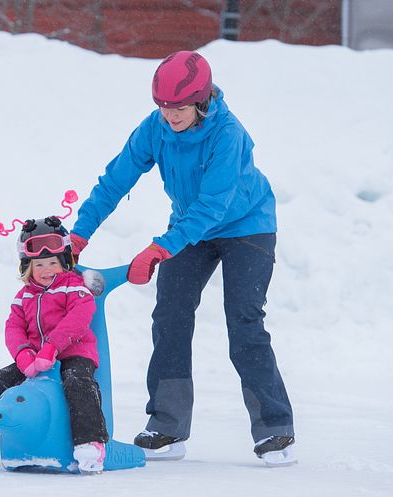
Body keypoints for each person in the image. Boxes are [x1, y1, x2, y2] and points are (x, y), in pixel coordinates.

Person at [68, 51, 295, 465]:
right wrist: (79, 234)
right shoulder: (155, 129)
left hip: (247, 225)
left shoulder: (228, 134)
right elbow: (115, 181)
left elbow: (213, 207)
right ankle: (167, 426)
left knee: (244, 321)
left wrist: (159, 248)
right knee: (170, 315)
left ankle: (275, 430)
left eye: (179, 108)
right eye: (163, 107)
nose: (170, 116)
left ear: (203, 100)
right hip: (189, 226)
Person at [0, 215, 109, 474]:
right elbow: (13, 328)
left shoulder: (74, 288)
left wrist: (51, 348)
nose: (46, 270)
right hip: (33, 359)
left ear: (64, 262)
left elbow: (76, 320)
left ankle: (90, 443)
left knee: (78, 382)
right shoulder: (24, 296)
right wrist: (24, 356)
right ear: (28, 267)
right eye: (39, 264)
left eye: (53, 262)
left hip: (73, 353)